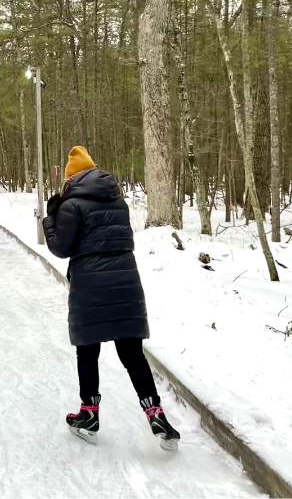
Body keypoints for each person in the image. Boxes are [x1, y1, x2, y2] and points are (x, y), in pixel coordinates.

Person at [43, 146, 180, 450]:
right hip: (125, 283)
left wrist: (50, 219)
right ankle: (157, 417)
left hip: (90, 286)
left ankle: (89, 415)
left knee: (87, 351)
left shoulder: (71, 206)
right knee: (132, 355)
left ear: (72, 179)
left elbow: (61, 247)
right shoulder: (118, 201)